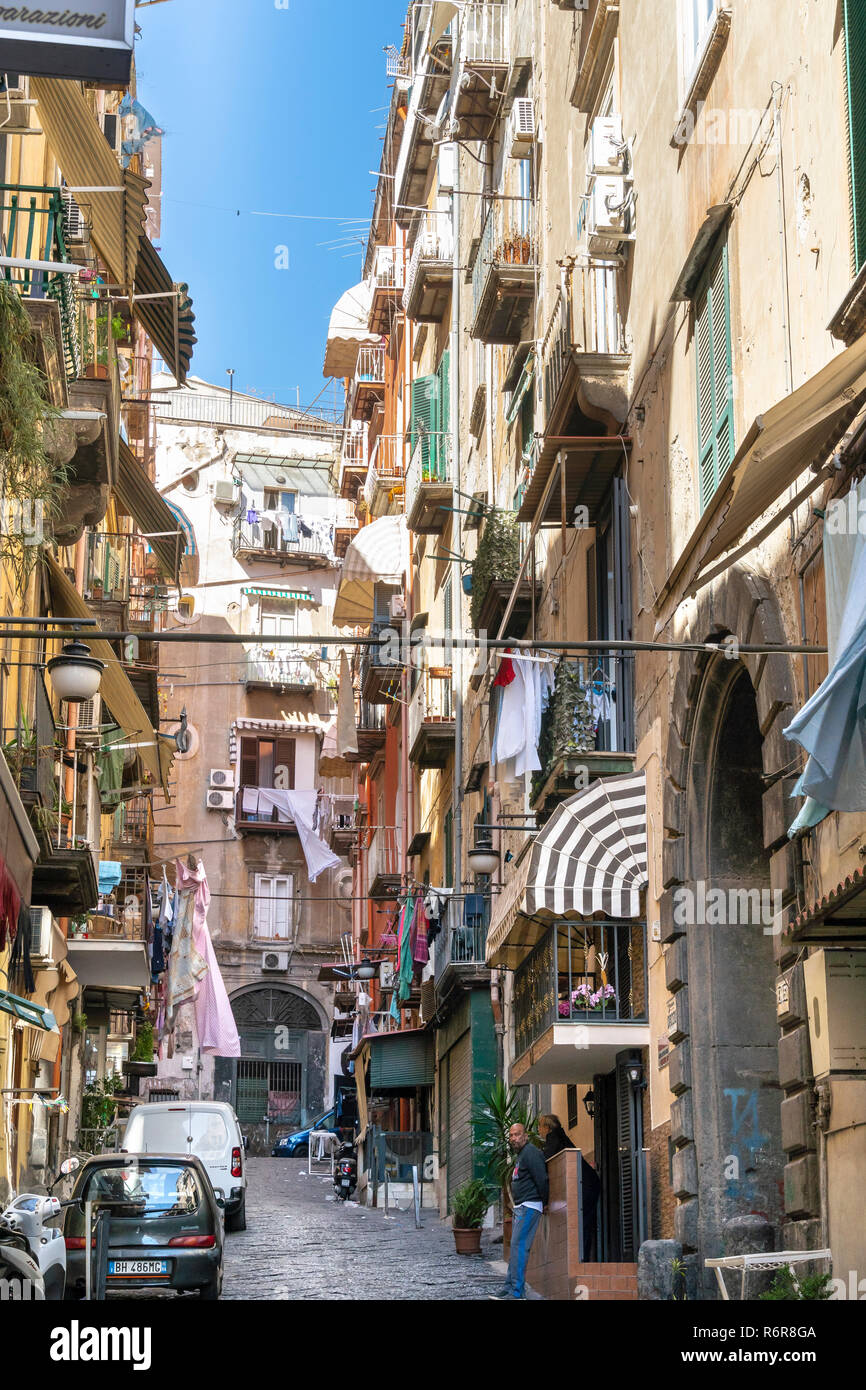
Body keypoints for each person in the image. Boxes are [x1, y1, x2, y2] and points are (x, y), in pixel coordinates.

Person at [489, 1123, 549, 1300]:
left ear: (525, 1136)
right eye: (511, 1135)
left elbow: (542, 1179)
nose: (514, 1138)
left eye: (517, 1134)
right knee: (515, 1247)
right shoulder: (521, 1155)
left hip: (530, 1205)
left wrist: (544, 1202)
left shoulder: (531, 1152)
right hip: (522, 1207)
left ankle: (517, 1292)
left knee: (519, 1247)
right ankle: (509, 1287)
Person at [538, 1113, 601, 1262]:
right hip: (589, 1184)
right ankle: (583, 1258)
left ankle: (582, 1260)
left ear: (546, 1127)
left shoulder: (553, 1139)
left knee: (583, 1223)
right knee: (585, 1222)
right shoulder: (560, 1137)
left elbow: (546, 1163)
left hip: (585, 1186)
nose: (539, 1130)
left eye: (539, 1127)